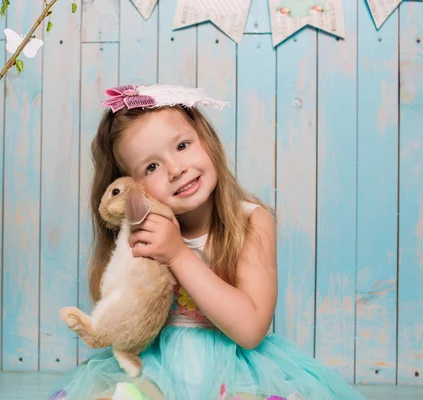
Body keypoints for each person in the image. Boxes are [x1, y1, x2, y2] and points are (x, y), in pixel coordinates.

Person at [48, 84, 366, 400]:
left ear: (207, 141)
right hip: (155, 367)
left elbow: (252, 330)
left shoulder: (252, 222)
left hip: (236, 368)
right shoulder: (142, 234)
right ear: (132, 186)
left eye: (183, 145)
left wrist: (177, 254)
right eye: (152, 167)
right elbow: (124, 311)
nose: (176, 169)